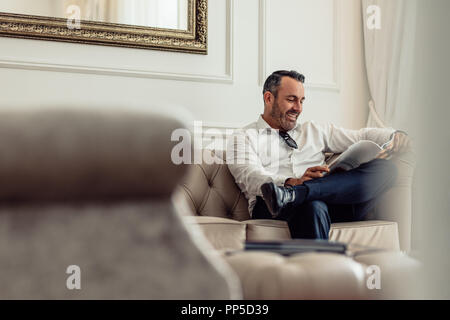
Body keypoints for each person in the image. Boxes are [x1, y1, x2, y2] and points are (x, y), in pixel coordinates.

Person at [226, 70, 410, 239]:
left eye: (302, 100)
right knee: (313, 206)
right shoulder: (243, 137)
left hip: (332, 202)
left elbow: (362, 135)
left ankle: (297, 194)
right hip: (271, 207)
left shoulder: (315, 130)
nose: (298, 108)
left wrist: (396, 135)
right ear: (269, 98)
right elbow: (249, 176)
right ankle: (294, 197)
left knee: (387, 169)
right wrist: (292, 182)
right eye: (291, 99)